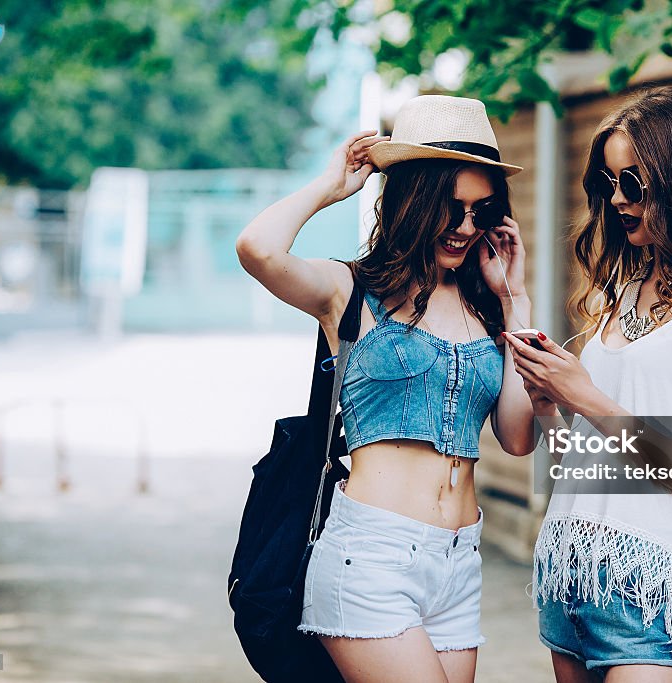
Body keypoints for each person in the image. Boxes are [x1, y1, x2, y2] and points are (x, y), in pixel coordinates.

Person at [235, 94, 536, 683]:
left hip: (458, 565)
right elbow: (258, 249)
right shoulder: (350, 292)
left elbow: (519, 438)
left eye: (481, 212)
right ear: (414, 202)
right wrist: (329, 185)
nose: (466, 227)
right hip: (372, 556)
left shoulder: (485, 307)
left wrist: (514, 299)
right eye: (451, 208)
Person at [502, 86, 672, 682]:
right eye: (608, 183)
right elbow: (590, 457)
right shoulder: (623, 288)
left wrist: (587, 398)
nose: (619, 201)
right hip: (570, 570)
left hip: (646, 591)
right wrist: (553, 407)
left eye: (636, 184)